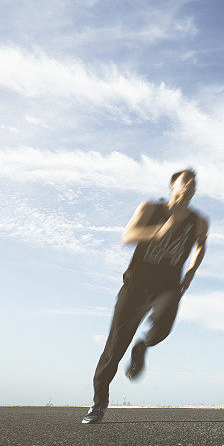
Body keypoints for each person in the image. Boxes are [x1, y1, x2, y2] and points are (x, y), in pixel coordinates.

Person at [82, 169, 209, 424]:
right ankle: (98, 404)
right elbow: (128, 235)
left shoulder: (199, 221)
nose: (191, 185)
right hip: (136, 284)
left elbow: (200, 245)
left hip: (168, 284)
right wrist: (159, 231)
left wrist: (190, 274)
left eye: (194, 183)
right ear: (173, 185)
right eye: (186, 181)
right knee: (114, 348)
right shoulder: (150, 208)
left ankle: (142, 346)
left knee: (163, 325)